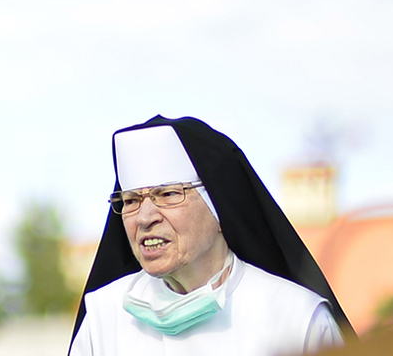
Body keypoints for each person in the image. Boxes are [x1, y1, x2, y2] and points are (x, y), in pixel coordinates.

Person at [70, 117, 349, 356]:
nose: (144, 218)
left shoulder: (296, 318)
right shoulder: (102, 318)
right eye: (131, 200)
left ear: (220, 208)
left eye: (168, 194)